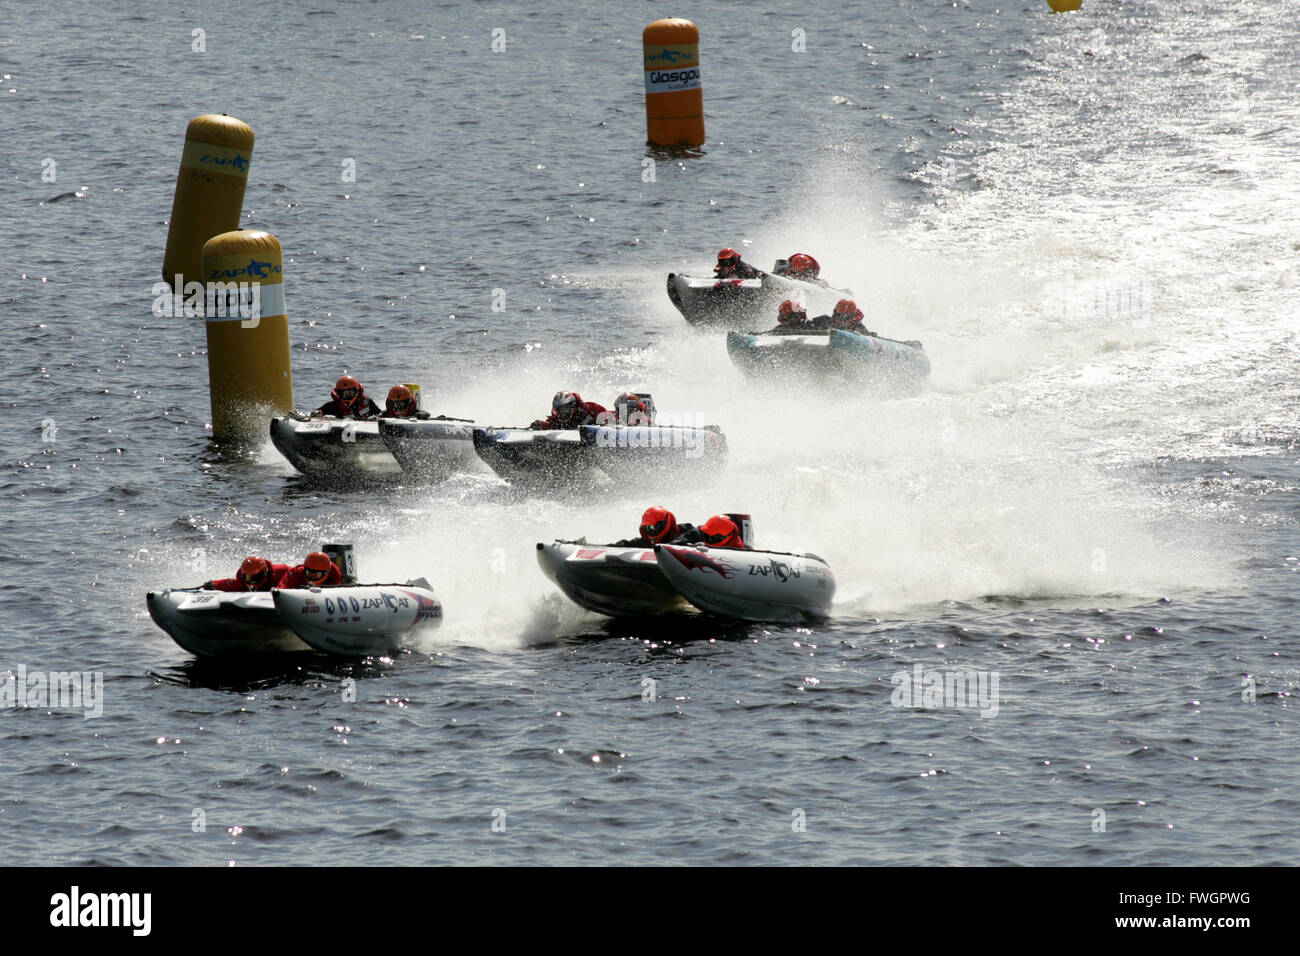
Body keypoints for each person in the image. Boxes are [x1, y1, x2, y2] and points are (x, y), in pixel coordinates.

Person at [612, 506, 697, 548]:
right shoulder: (646, 541)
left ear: (664, 523)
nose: (651, 532)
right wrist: (620, 545)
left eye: (653, 527)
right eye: (648, 528)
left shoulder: (686, 530)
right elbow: (631, 544)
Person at [203, 556, 291, 592]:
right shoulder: (242, 583)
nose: (252, 582)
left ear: (265, 574)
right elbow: (229, 583)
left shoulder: (281, 572)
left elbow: (299, 574)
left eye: (256, 577)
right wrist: (213, 584)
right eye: (248, 578)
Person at [312, 375, 381, 419]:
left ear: (357, 391)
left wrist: (375, 418)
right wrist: (317, 414)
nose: (347, 396)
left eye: (350, 393)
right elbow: (313, 415)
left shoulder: (366, 401)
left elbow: (379, 414)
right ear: (338, 394)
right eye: (344, 394)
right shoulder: (332, 406)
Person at [530, 391, 609, 430]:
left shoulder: (591, 408)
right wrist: (541, 425)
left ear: (573, 406)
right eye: (559, 410)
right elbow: (551, 425)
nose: (562, 413)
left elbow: (609, 419)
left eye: (565, 409)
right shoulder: (559, 418)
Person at [673, 514, 749, 550]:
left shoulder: (737, 548)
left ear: (724, 538)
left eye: (712, 537)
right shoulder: (700, 532)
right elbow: (675, 543)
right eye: (706, 534)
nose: (707, 538)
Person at [275, 551, 343, 590]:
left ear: (326, 573)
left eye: (316, 575)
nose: (312, 577)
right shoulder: (298, 571)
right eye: (309, 573)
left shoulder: (335, 575)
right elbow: (283, 585)